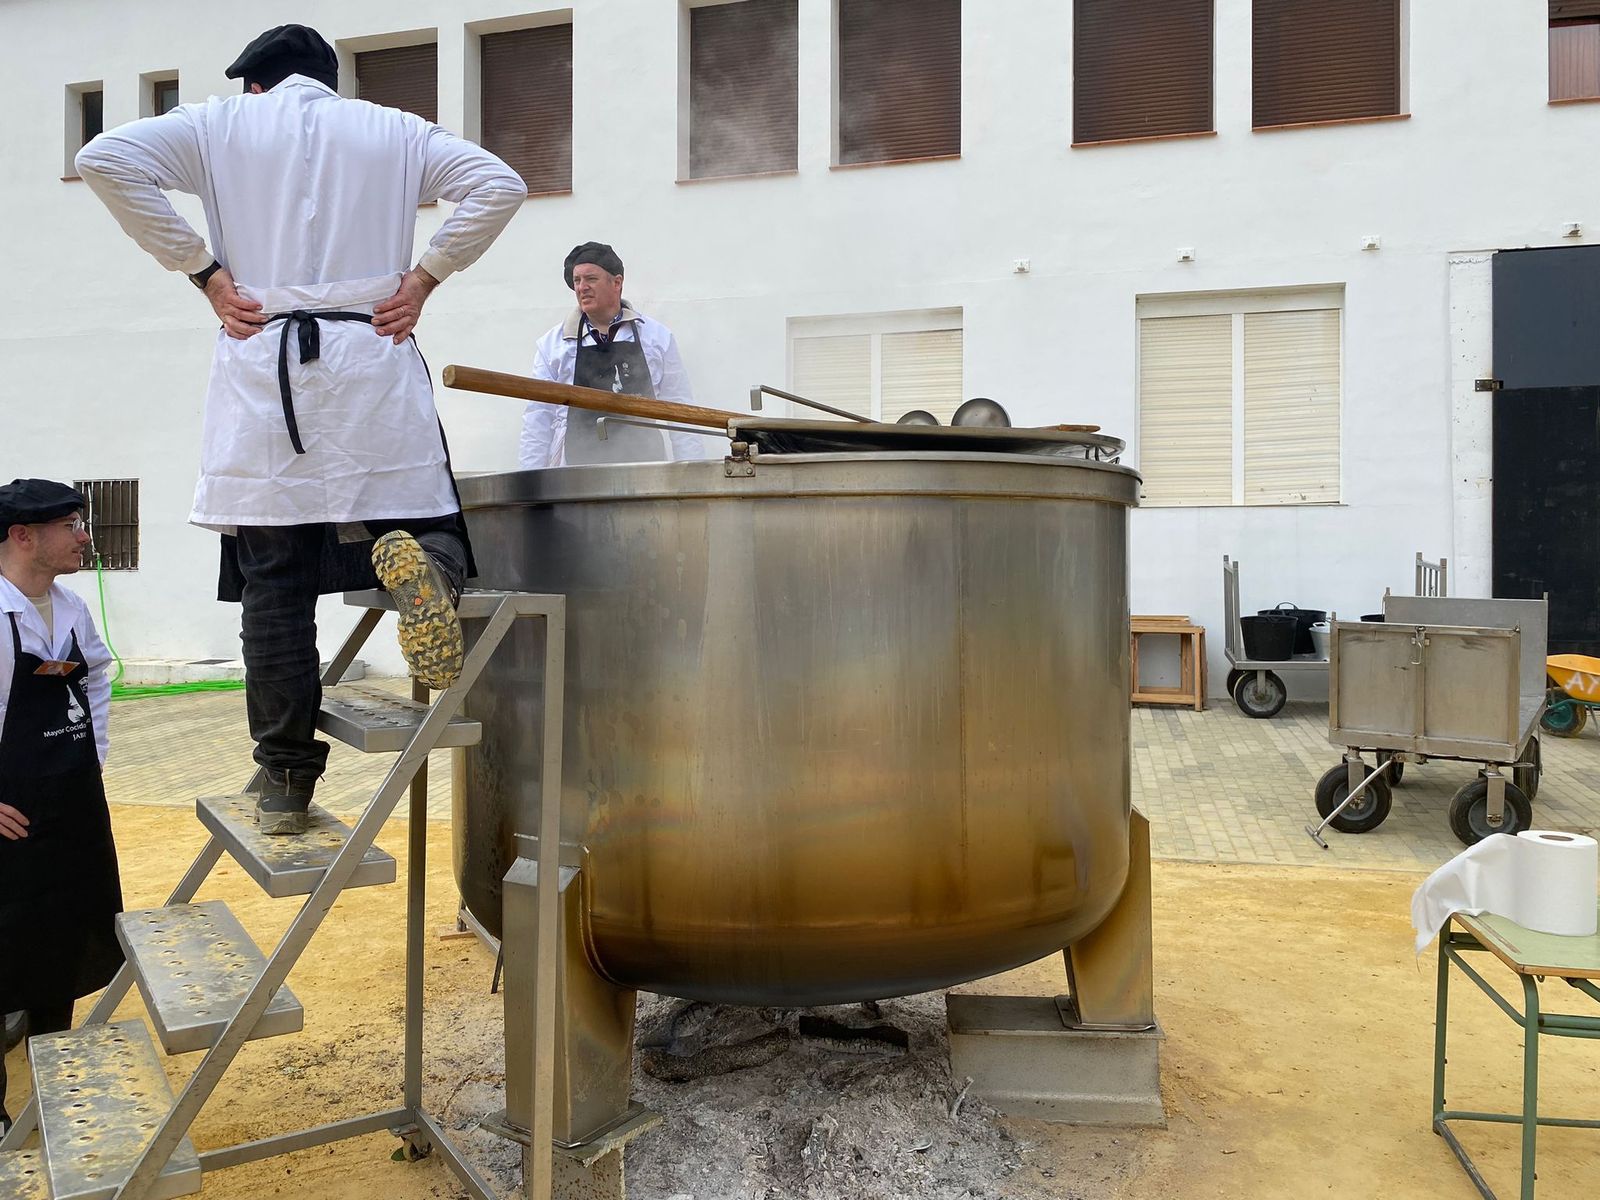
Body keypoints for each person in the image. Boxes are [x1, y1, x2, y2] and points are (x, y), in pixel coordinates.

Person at [76, 25, 528, 835]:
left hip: (264, 356)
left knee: (274, 584)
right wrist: (427, 275)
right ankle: (426, 572)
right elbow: (499, 183)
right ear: (327, 80)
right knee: (425, 516)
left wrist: (203, 271)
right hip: (373, 347)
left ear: (256, 84)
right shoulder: (391, 127)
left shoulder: (218, 123)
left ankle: (286, 778)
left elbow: (105, 158)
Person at [0, 480, 121, 1138]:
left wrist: (92, 759)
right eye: (71, 524)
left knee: (61, 940)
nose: (84, 536)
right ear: (24, 538)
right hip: (9, 811)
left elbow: (95, 676)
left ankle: (52, 1083)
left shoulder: (70, 607)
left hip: (71, 806)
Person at [518, 242, 705, 467]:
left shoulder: (656, 338)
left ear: (617, 282)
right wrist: (530, 480)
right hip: (575, 472)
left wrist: (693, 471)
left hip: (646, 467)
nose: (582, 287)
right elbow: (538, 417)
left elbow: (680, 407)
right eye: (577, 281)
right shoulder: (553, 345)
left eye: (591, 279)